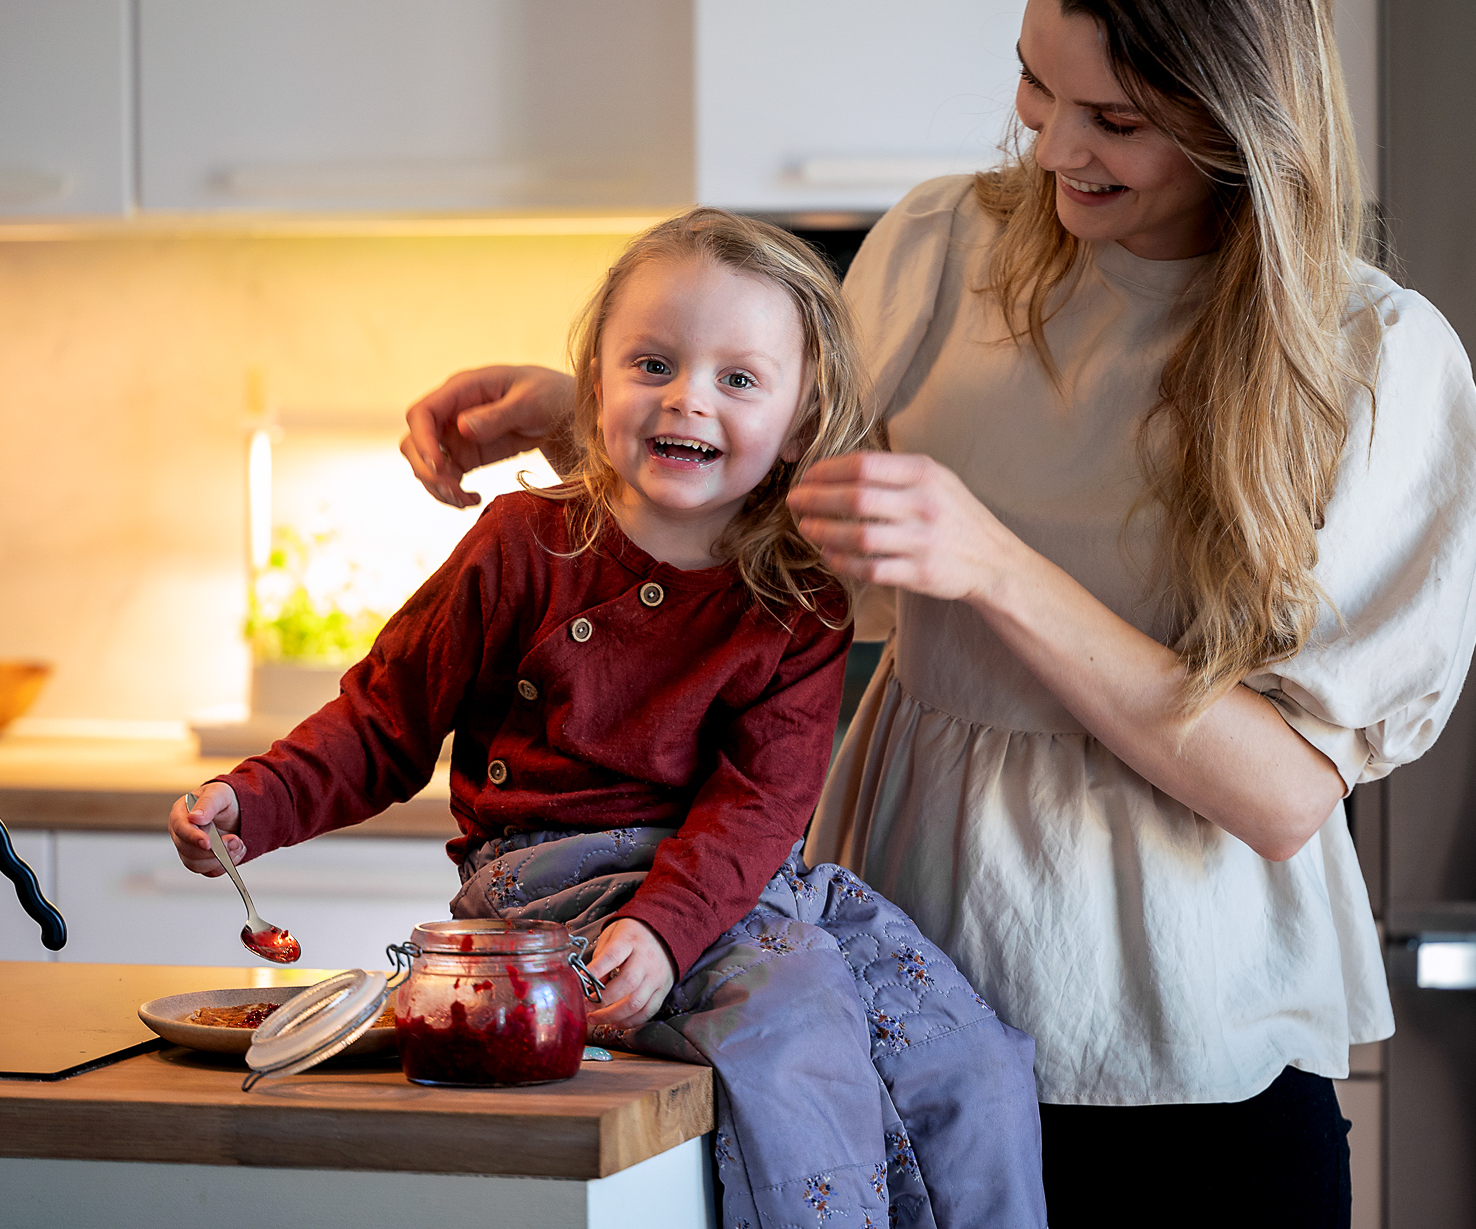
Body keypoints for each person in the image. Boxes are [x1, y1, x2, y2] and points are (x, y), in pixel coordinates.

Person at [402, 0, 1476, 1226]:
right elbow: (798, 547)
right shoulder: (938, 248)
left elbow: (1280, 794)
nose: (1048, 147)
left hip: (1191, 1063)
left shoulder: (1371, 362)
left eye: (1113, 119)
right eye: (1035, 85)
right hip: (909, 1011)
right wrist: (587, 418)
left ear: (1237, 124)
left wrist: (989, 568)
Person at [175, 208, 1046, 1229]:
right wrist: (253, 798)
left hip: (738, 879)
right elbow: (381, 719)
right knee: (793, 1023)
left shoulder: (801, 596)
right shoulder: (517, 546)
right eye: (652, 362)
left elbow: (760, 804)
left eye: (738, 377)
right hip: (546, 880)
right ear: (595, 382)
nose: (687, 397)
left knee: (966, 1050)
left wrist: (668, 925)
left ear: (800, 417)